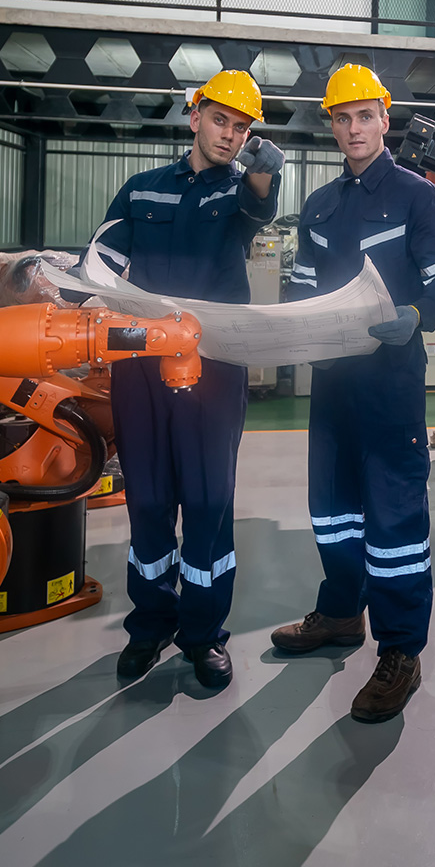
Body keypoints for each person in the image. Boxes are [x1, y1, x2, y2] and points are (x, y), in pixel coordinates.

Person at [271, 64, 435, 723]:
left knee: (394, 521)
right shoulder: (320, 206)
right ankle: (339, 613)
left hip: (390, 388)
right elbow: (302, 287)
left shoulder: (419, 197)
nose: (353, 128)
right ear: (331, 126)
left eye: (364, 115)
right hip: (332, 386)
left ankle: (401, 651)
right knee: (333, 512)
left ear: (385, 119)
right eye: (341, 117)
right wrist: (286, 323)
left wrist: (416, 315)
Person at [95, 69, 284, 690]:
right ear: (195, 116)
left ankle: (203, 635)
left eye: (242, 128)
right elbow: (103, 262)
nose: (230, 135)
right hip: (140, 369)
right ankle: (150, 625)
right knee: (148, 500)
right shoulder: (140, 190)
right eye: (221, 120)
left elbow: (259, 202)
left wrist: (265, 172)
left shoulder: (237, 193)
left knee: (207, 501)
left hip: (213, 369)